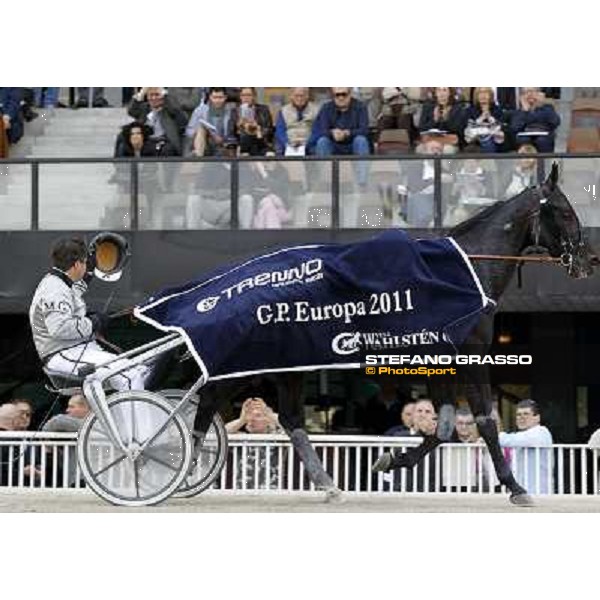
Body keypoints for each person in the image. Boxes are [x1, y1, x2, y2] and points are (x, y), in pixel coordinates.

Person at [29, 237, 150, 392]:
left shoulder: (58, 282)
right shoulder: (54, 289)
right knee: (129, 375)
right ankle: (135, 418)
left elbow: (73, 293)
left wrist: (89, 273)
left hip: (76, 350)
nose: (87, 266)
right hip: (63, 353)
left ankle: (119, 415)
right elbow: (60, 329)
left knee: (140, 370)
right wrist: (93, 322)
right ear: (77, 264)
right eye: (85, 262)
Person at [225, 397, 283, 489]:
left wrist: (269, 413)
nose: (252, 419)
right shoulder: (242, 437)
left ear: (269, 421)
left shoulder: (277, 437)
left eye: (258, 415)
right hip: (242, 492)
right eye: (249, 415)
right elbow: (222, 433)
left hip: (271, 492)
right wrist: (241, 420)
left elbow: (289, 427)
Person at [498, 399, 553, 494]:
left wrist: (489, 437)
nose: (521, 418)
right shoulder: (521, 436)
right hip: (521, 494)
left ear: (537, 418)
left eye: (526, 414)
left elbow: (509, 440)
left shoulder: (541, 432)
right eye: (518, 415)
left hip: (539, 494)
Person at [128, 87, 188, 156]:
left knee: (167, 150)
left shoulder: (169, 109)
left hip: (165, 142)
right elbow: (131, 111)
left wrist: (164, 94)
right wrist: (141, 93)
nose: (154, 98)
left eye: (157, 95)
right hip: (147, 141)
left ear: (162, 97)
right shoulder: (144, 108)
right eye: (151, 95)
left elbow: (178, 113)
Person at [185, 87, 237, 157]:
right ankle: (198, 157)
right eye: (215, 97)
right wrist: (207, 133)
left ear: (225, 97)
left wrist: (222, 140)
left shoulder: (231, 111)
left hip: (223, 145)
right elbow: (189, 131)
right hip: (205, 143)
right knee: (201, 129)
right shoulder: (200, 110)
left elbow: (232, 134)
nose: (217, 100)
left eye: (220, 97)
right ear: (210, 97)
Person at [509, 87, 561, 152]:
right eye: (526, 92)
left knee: (542, 140)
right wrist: (525, 111)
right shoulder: (519, 112)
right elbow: (515, 128)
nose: (530, 94)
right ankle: (527, 162)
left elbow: (555, 122)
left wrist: (541, 105)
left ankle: (544, 162)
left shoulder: (547, 108)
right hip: (525, 137)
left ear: (539, 94)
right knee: (524, 140)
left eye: (533, 91)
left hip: (544, 136)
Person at [274, 87, 319, 156]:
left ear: (307, 96)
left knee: (316, 147)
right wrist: (287, 144)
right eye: (296, 96)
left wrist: (306, 144)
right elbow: (280, 131)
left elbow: (317, 131)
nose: (299, 99)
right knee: (279, 147)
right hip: (289, 143)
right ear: (291, 96)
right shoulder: (283, 111)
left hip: (308, 143)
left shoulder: (316, 110)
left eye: (302, 96)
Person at [463, 87, 505, 153]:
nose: (483, 95)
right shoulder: (470, 110)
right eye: (480, 93)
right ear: (476, 96)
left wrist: (489, 117)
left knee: (488, 143)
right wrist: (481, 118)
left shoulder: (497, 110)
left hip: (493, 140)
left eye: (486, 93)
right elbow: (468, 129)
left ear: (490, 95)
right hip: (475, 141)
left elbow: (500, 128)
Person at [235, 87, 274, 156]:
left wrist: (258, 129)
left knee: (269, 153)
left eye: (249, 95)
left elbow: (269, 129)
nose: (246, 98)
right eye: (243, 95)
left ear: (254, 96)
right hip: (243, 144)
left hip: (261, 142)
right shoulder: (235, 111)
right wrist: (239, 126)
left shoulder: (263, 109)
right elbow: (231, 132)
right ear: (240, 97)